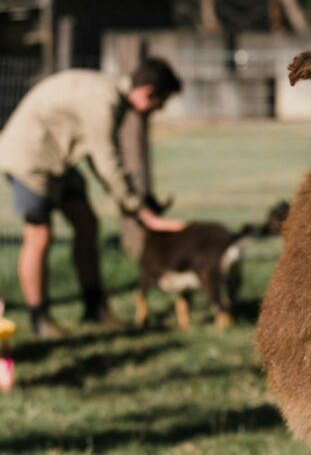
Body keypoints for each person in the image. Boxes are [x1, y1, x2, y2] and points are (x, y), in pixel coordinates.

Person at [0, 58, 187, 338]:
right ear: (147, 91)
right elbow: (106, 162)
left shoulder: (108, 94)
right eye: (159, 105)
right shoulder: (104, 102)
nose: (156, 112)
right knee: (39, 235)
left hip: (59, 162)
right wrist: (140, 211)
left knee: (87, 224)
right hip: (30, 159)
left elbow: (99, 158)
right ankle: (40, 319)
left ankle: (94, 308)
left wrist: (129, 200)